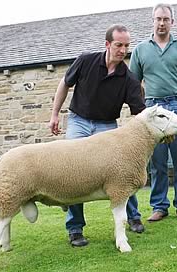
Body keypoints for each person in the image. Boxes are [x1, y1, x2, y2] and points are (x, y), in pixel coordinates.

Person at [49, 24, 146, 247]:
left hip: (106, 126)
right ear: (107, 44)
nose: (122, 50)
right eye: (118, 45)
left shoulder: (129, 79)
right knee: (73, 170)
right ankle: (75, 229)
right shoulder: (85, 61)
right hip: (79, 121)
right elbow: (64, 84)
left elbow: (140, 115)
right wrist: (54, 114)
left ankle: (133, 217)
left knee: (124, 170)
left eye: (126, 46)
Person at [129, 3, 177, 222]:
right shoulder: (141, 50)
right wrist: (146, 106)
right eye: (158, 19)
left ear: (172, 22)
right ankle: (159, 206)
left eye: (166, 19)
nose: (161, 23)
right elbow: (134, 82)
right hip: (153, 108)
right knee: (156, 161)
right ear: (153, 21)